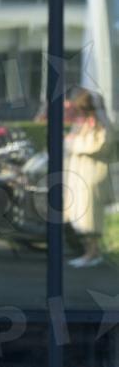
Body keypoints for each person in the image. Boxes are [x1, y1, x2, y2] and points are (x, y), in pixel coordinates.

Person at [64, 86, 115, 268]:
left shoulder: (101, 124)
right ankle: (90, 252)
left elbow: (102, 144)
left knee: (90, 218)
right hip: (80, 176)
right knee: (81, 216)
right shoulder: (85, 123)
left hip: (92, 176)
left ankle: (92, 254)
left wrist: (74, 144)